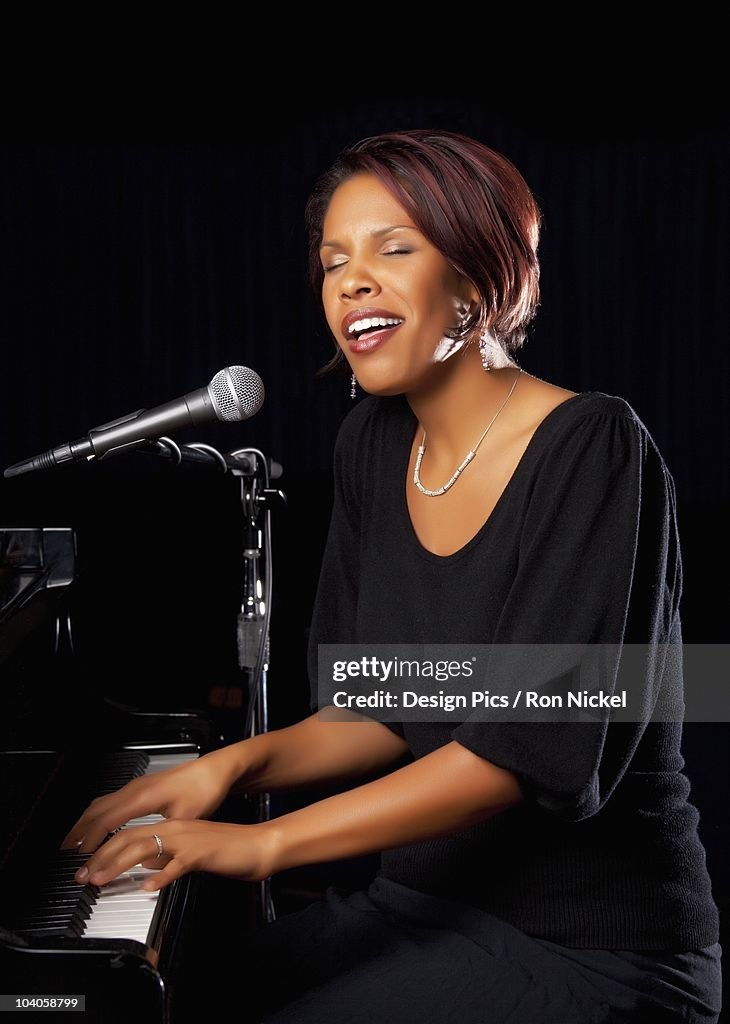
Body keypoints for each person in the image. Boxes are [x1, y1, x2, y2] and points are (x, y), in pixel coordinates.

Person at [63, 130, 722, 1023]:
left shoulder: (595, 447)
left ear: (478, 274)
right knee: (182, 997)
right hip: (417, 910)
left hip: (594, 950)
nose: (351, 280)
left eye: (393, 248)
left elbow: (525, 756)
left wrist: (262, 847)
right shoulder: (372, 446)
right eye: (334, 260)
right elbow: (376, 699)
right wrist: (229, 770)